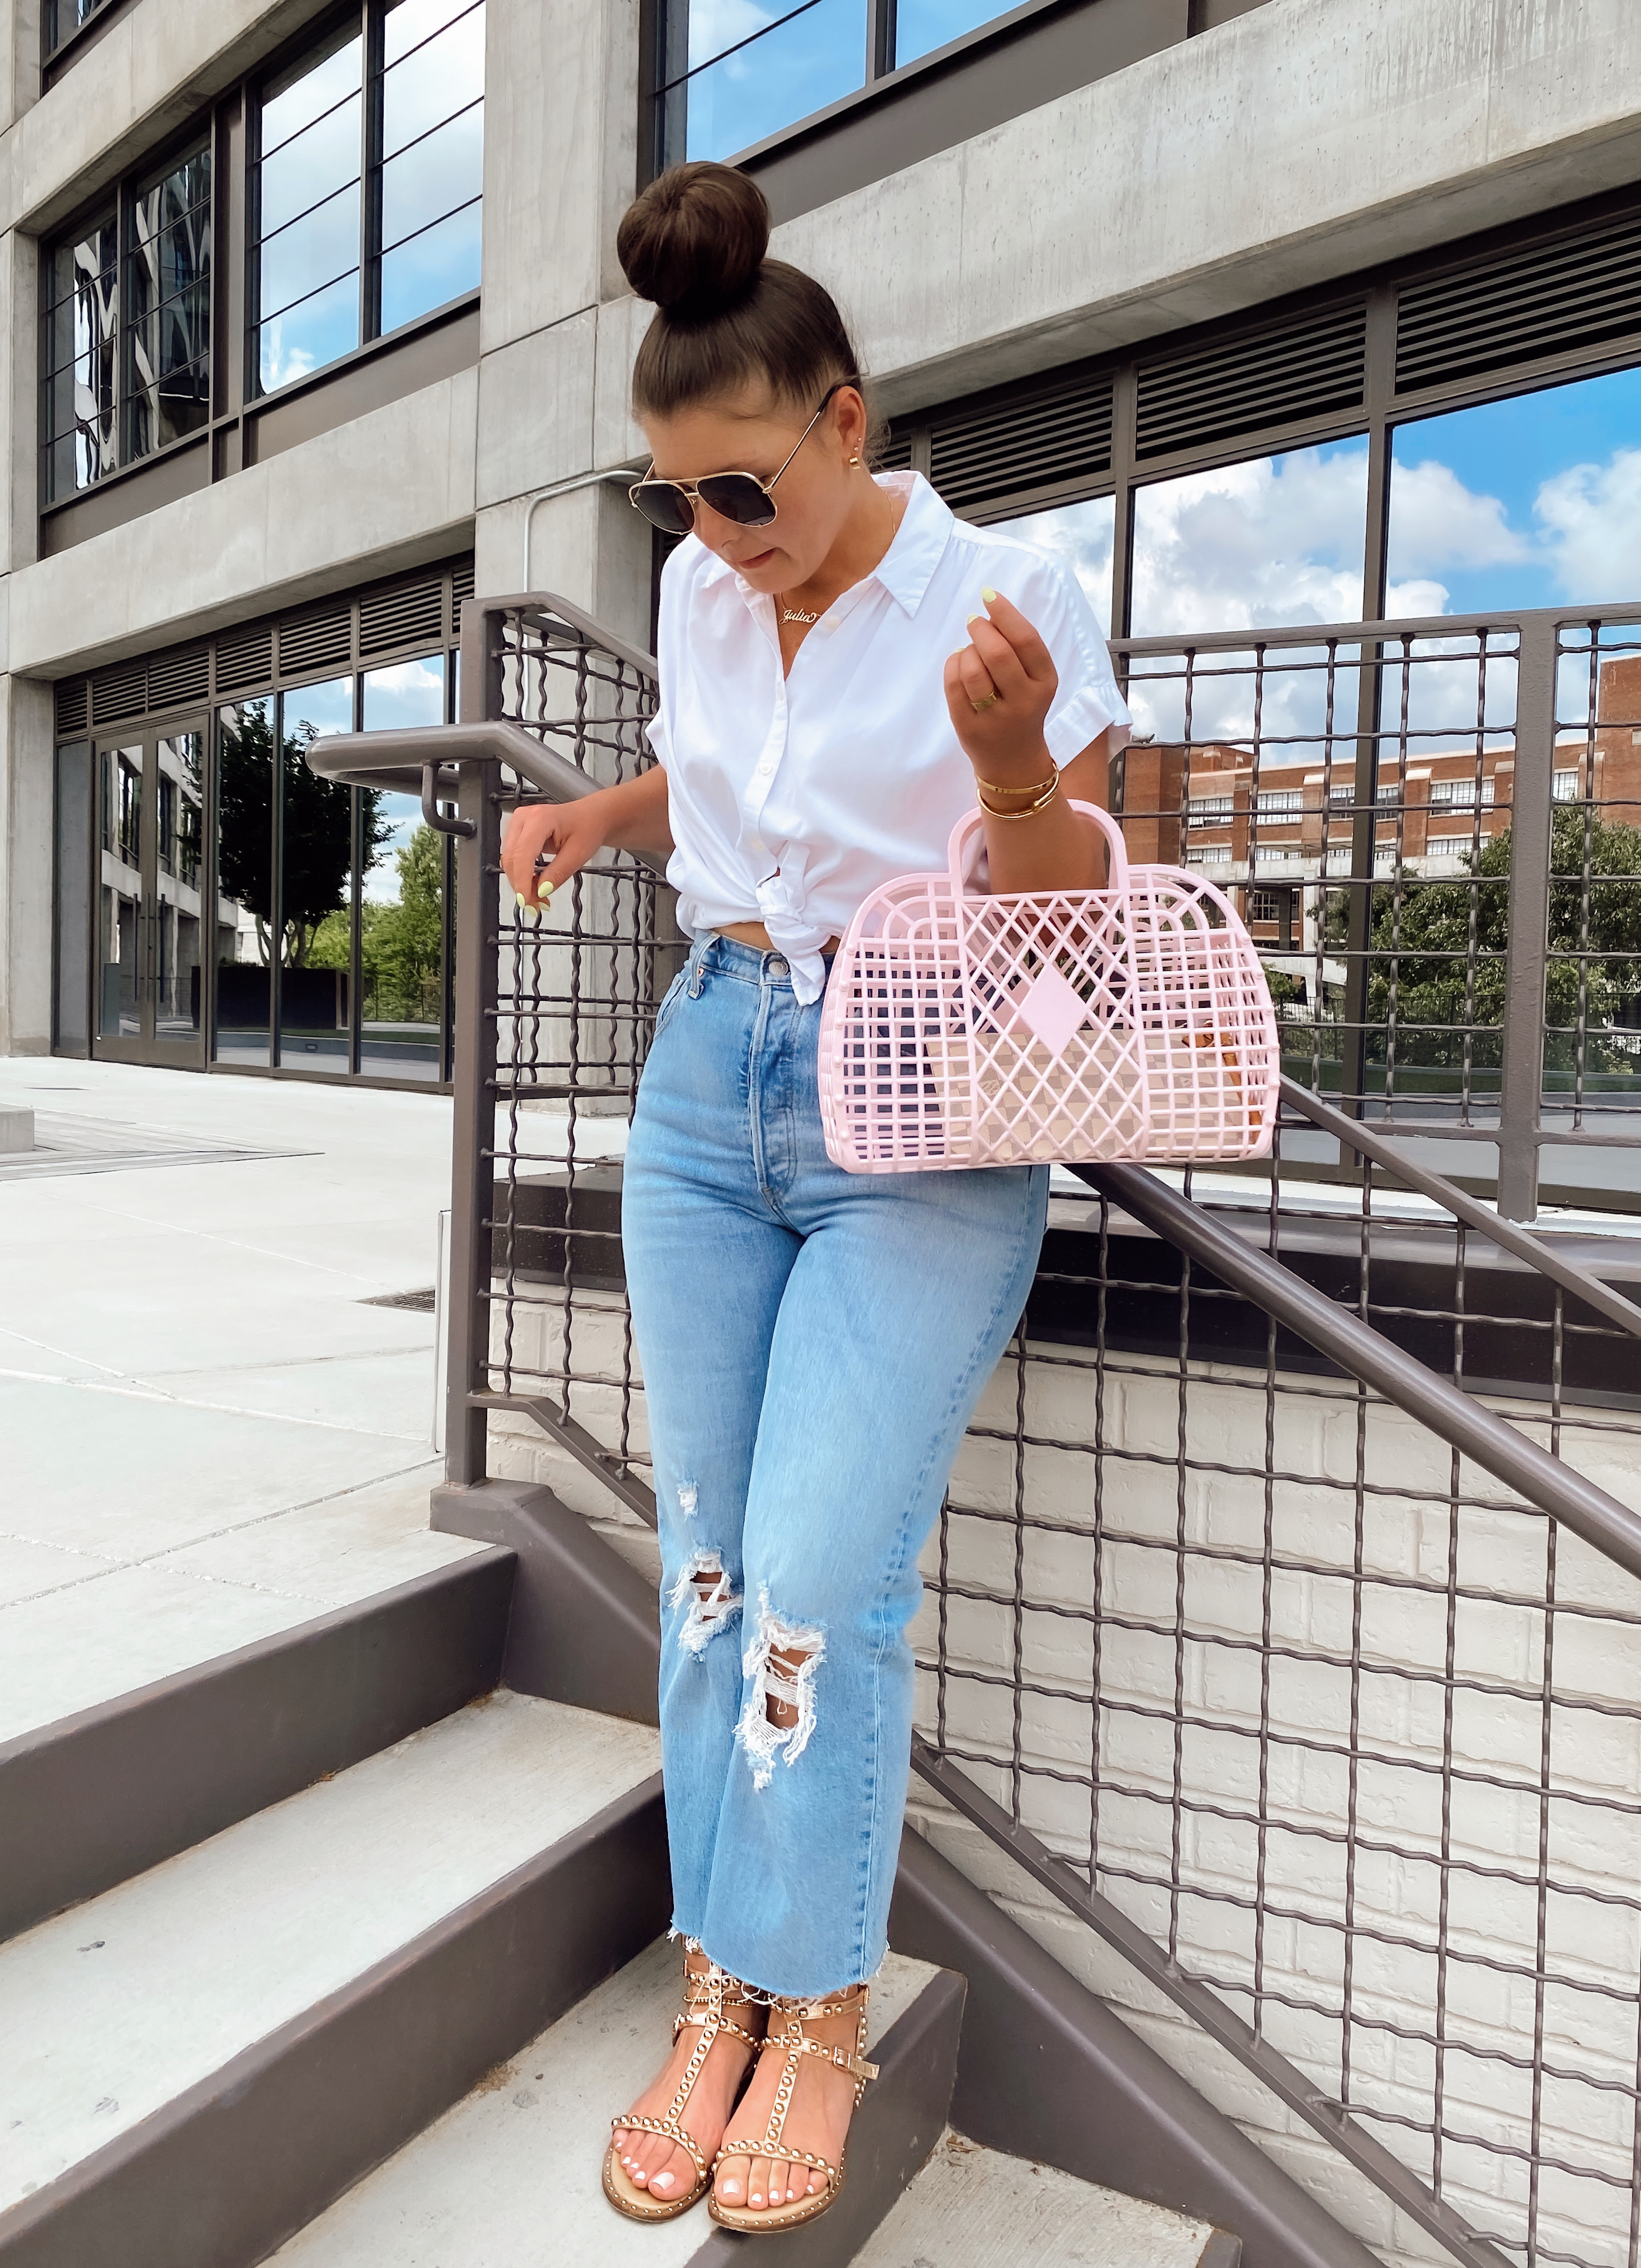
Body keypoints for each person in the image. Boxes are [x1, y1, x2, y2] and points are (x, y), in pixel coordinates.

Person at [500, 159, 1132, 2236]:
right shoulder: (707, 589)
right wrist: (607, 810)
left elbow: (1078, 920)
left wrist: (1024, 772)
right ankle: (718, 1987)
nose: (719, 534)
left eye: (749, 488)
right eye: (682, 496)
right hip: (710, 1074)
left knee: (812, 1578)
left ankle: (816, 2005)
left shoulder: (996, 602)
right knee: (700, 1558)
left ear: (848, 421)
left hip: (925, 1105)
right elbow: (720, 758)